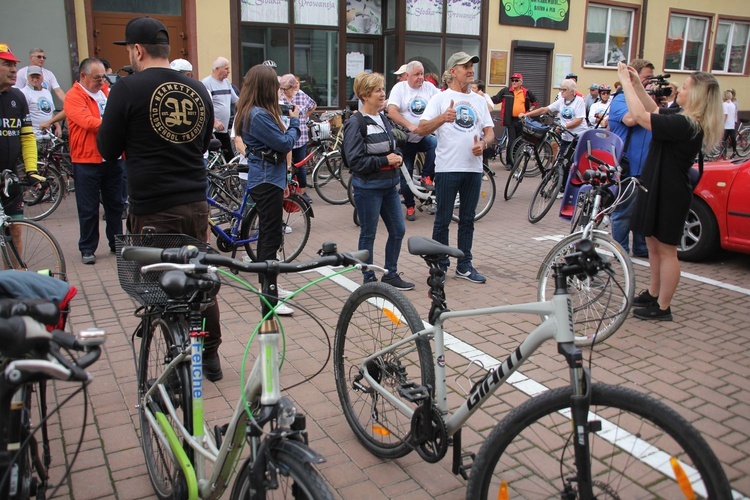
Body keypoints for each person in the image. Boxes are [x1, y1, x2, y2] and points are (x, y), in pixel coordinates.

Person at [97, 16, 225, 381]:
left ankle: (175, 360)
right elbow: (204, 144)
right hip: (196, 203)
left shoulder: (127, 88)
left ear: (136, 50)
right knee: (199, 277)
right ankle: (210, 356)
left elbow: (106, 148)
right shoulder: (197, 88)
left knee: (161, 283)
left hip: (153, 205)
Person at [617, 62, 723, 321]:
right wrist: (639, 85)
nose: (681, 89)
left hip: (670, 191)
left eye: (686, 87)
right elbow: (654, 109)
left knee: (666, 249)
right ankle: (654, 293)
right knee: (653, 244)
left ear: (696, 95)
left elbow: (642, 118)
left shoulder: (688, 124)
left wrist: (626, 84)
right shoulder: (679, 116)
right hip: (657, 185)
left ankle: (663, 307)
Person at [417, 51, 494, 284]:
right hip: (447, 168)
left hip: (473, 169)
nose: (471, 70)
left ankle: (465, 264)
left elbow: (489, 132)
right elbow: (421, 129)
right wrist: (443, 118)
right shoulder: (440, 99)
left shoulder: (480, 101)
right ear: (452, 72)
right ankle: (439, 265)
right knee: (442, 219)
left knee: (468, 220)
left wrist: (484, 143)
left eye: (471, 66)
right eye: (465, 66)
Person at [234, 64, 300, 313]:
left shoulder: (252, 110)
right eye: (274, 85)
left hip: (267, 177)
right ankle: (267, 294)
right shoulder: (258, 115)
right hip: (265, 179)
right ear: (266, 87)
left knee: (270, 235)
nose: (278, 90)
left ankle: (270, 284)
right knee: (270, 237)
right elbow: (284, 143)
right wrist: (294, 123)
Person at [345, 71, 413, 290]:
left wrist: (398, 155)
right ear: (365, 95)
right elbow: (355, 161)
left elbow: (391, 145)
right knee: (368, 234)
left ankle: (390, 274)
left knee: (398, 230)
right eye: (378, 90)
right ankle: (368, 279)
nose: (383, 94)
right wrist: (385, 159)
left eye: (383, 89)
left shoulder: (382, 118)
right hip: (368, 188)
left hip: (389, 186)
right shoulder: (356, 122)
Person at [63, 58, 124, 265]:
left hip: (112, 158)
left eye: (103, 77)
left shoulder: (107, 92)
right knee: (88, 208)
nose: (101, 82)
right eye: (97, 78)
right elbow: (88, 122)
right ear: (83, 76)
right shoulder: (73, 96)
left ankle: (117, 242)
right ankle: (87, 248)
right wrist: (115, 124)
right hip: (87, 160)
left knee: (115, 204)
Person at [608, 59, 655, 258]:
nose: (650, 83)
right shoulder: (620, 99)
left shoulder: (646, 99)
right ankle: (621, 251)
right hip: (628, 167)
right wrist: (634, 89)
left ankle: (641, 248)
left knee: (643, 212)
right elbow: (631, 119)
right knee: (623, 212)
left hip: (646, 168)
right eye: (647, 78)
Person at [0, 43, 42, 251]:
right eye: (6, 64)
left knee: (15, 228)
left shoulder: (18, 97)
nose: (14, 70)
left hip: (9, 177)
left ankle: (15, 278)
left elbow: (26, 137)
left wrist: (31, 169)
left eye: (14, 65)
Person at [386, 60, 438, 221]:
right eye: (417, 74)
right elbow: (392, 112)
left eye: (422, 74)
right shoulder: (400, 88)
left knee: (435, 144)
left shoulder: (429, 88)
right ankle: (410, 206)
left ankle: (426, 176)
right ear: (407, 75)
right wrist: (409, 126)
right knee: (406, 175)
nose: (420, 77)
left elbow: (442, 100)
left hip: (423, 136)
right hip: (406, 140)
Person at [520, 78, 588, 162]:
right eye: (561, 89)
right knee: (561, 161)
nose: (561, 91)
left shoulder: (579, 101)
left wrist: (564, 127)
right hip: (566, 137)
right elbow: (544, 109)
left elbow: (579, 120)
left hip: (577, 137)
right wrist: (526, 114)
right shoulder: (561, 101)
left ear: (571, 91)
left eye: (564, 89)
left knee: (573, 162)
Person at [279, 73, 317, 204]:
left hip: (300, 136)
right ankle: (286, 190)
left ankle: (303, 192)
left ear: (293, 86)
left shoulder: (301, 95)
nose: (284, 91)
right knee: (285, 165)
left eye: (286, 89)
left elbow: (313, 105)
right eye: (282, 89)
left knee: (300, 165)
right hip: (285, 136)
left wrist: (304, 116)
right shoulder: (279, 96)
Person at [490, 72, 538, 167]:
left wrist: (528, 112)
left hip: (522, 120)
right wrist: (483, 97)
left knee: (520, 141)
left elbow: (535, 102)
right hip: (510, 120)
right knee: (511, 141)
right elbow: (495, 99)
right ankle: (509, 162)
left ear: (521, 82)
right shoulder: (506, 91)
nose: (514, 82)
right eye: (512, 80)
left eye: (516, 80)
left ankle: (516, 160)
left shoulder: (526, 92)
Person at [202, 57, 239, 162]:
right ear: (217, 69)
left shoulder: (226, 83)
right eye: (226, 69)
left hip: (224, 127)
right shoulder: (206, 83)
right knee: (226, 157)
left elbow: (236, 101)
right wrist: (214, 122)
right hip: (214, 129)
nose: (229, 71)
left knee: (229, 158)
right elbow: (204, 106)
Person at [19, 66, 60, 138]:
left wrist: (57, 126)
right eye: (32, 77)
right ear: (27, 77)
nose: (35, 80)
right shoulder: (23, 93)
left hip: (48, 135)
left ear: (42, 77)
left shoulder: (46, 92)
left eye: (37, 77)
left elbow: (50, 112)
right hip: (32, 136)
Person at [722, 90, 738, 158]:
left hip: (726, 125)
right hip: (732, 125)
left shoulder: (725, 104)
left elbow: (725, 115)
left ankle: (724, 154)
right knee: (733, 138)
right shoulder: (733, 105)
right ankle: (734, 151)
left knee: (723, 140)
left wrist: (722, 123)